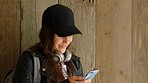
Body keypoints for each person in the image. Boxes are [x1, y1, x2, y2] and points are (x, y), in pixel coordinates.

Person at [13, 4, 91, 83]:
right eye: (61, 34)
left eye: (70, 35)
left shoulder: (75, 62)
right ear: (47, 35)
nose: (67, 41)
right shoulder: (29, 59)